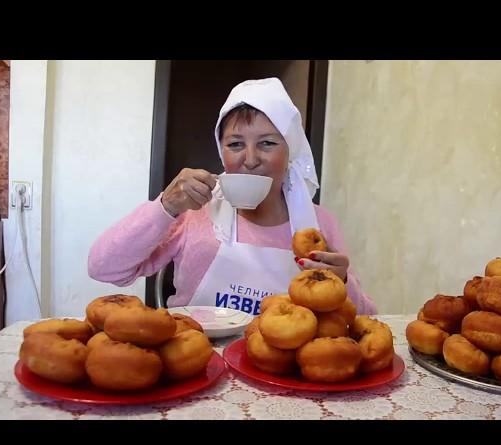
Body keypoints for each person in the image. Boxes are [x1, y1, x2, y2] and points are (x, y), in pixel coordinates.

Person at [88, 77, 376, 315]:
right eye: (235, 144)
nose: (250, 159)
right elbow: (103, 268)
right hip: (196, 362)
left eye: (267, 143)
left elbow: (365, 318)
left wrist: (341, 281)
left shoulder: (317, 223)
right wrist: (166, 206)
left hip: (279, 372)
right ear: (221, 151)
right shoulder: (193, 213)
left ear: (291, 152)